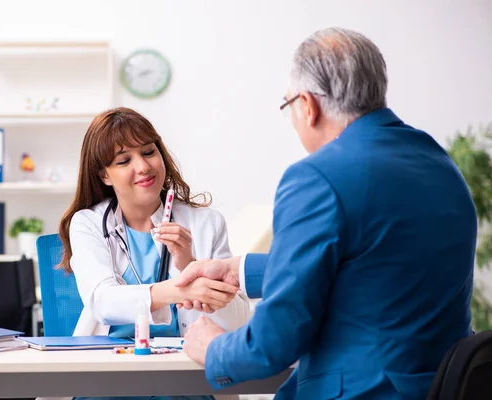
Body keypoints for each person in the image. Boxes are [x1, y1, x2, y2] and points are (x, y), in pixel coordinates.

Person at [175, 27, 478, 399]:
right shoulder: (437, 161)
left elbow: (275, 343)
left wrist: (213, 348)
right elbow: (373, 267)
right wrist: (240, 270)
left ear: (307, 105)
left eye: (287, 106)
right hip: (440, 387)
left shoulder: (316, 176)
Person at [57, 107, 250, 400]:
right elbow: (103, 302)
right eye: (124, 160)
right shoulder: (88, 223)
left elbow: (236, 321)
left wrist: (189, 263)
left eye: (148, 152)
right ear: (104, 175)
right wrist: (183, 286)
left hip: (186, 378)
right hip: (109, 378)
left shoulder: (207, 223)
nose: (143, 167)